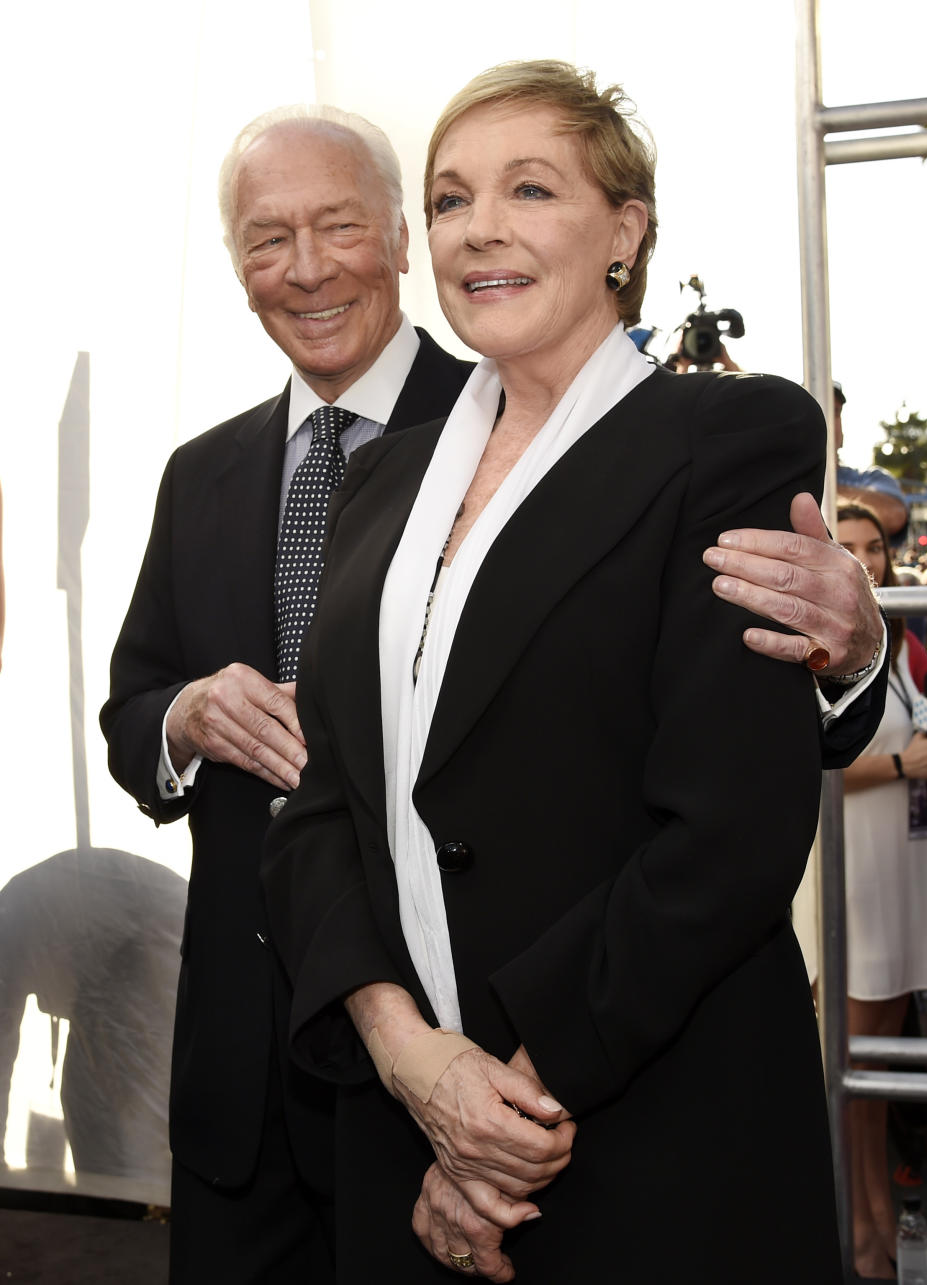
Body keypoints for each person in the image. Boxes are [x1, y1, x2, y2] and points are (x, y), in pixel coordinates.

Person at [101, 96, 882, 1282]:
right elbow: (323, 802)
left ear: (625, 231)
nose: (480, 228)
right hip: (357, 1106)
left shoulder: (719, 435)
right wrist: (415, 1065)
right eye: (454, 196)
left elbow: (729, 823)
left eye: (529, 189)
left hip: (628, 1124)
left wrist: (493, 1120)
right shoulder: (377, 484)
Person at [99, 105, 473, 1283]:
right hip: (238, 1094)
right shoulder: (201, 472)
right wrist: (187, 717)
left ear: (402, 237)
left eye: (337, 227)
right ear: (236, 267)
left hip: (437, 1082)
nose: (305, 270)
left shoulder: (504, 437)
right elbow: (129, 717)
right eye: (268, 241)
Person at [836, 502, 927, 1280]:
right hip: (857, 879)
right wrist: (911, 766)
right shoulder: (822, 645)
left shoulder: (904, 641)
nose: (867, 560)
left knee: (877, 1082)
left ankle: (880, 1223)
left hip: (906, 873)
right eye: (848, 547)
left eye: (874, 546)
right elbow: (818, 769)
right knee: (850, 1074)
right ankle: (859, 1232)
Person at [835, 382, 909, 542]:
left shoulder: (870, 479)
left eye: (834, 412)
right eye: (815, 411)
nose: (825, 421)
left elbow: (893, 516)